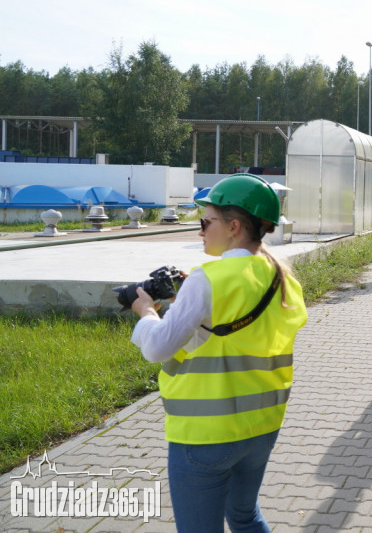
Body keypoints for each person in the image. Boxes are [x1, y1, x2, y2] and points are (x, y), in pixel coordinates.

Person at [129, 173, 308, 532]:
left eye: (205, 221)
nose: (200, 230)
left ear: (234, 226)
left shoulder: (207, 279)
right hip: (261, 428)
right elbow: (236, 336)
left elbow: (157, 347)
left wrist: (146, 311)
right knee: (244, 517)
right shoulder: (283, 278)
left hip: (206, 435)